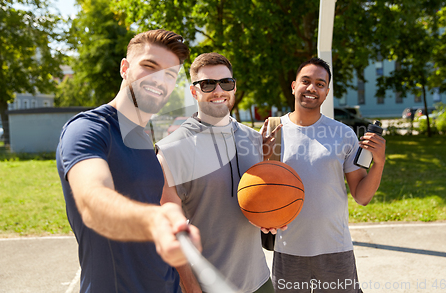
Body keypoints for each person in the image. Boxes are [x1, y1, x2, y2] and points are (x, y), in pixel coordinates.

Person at [56, 29, 201, 293]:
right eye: (149, 66)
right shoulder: (88, 129)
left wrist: (189, 285)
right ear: (125, 67)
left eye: (170, 74)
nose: (160, 80)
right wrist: (153, 221)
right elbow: (92, 201)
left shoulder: (143, 139)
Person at [156, 52, 278, 293]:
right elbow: (168, 230)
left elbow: (260, 202)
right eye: (207, 84)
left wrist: (271, 218)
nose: (218, 90)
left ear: (234, 87)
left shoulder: (255, 141)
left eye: (226, 83)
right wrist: (191, 287)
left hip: (260, 280)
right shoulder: (172, 150)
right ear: (194, 92)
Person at [270, 57, 386, 293]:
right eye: (306, 81)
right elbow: (262, 191)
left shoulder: (343, 134)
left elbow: (362, 197)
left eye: (320, 84)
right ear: (294, 86)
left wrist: (379, 162)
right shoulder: (273, 131)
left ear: (326, 92)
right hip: (288, 249)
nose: (312, 88)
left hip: (335, 249)